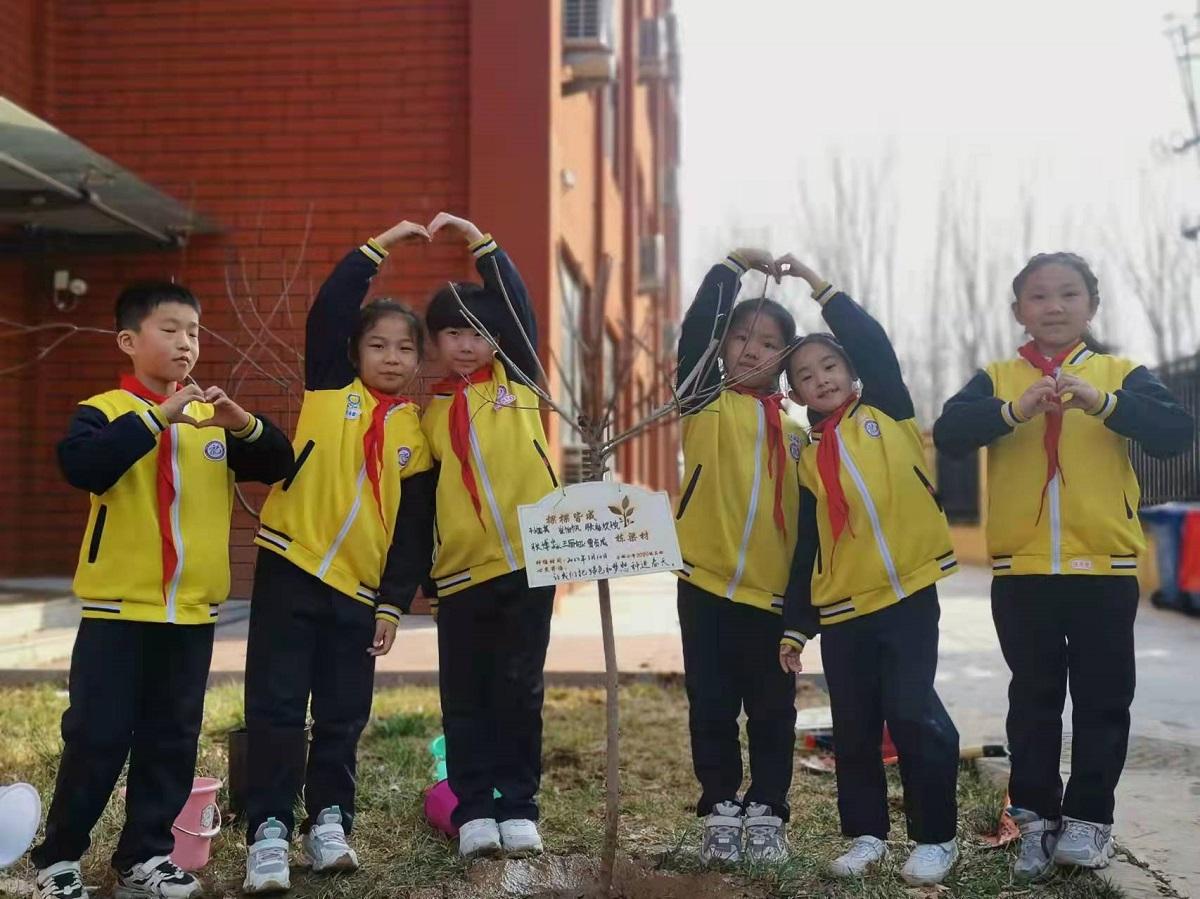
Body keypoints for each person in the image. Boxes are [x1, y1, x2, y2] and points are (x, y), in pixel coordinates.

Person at [933, 252, 1194, 881]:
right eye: (1039, 296)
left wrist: (1103, 403)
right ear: (1019, 310)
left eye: (1069, 294)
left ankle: (1088, 822)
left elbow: (1174, 432)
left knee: (1105, 701)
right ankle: (1035, 822)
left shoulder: (1122, 372)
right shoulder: (995, 377)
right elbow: (949, 433)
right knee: (1034, 702)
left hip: (1103, 570)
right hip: (1023, 573)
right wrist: (1013, 412)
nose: (1054, 306)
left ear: (1092, 306)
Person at [32, 282, 292, 899]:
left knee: (172, 737)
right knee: (96, 735)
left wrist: (244, 424)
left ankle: (144, 857)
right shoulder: (104, 410)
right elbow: (83, 466)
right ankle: (59, 858)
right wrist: (157, 418)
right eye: (170, 329)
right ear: (129, 341)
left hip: (192, 614)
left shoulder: (212, 421)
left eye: (195, 332)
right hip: (118, 611)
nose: (186, 343)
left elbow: (279, 462)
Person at [242, 221, 437, 893]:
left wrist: (392, 600)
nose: (390, 356)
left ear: (418, 360)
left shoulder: (416, 433)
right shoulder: (327, 389)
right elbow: (328, 307)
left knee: (342, 712)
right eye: (377, 344)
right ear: (351, 352)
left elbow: (413, 529)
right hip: (291, 567)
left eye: (404, 348)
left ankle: (329, 818)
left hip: (358, 592)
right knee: (275, 704)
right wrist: (374, 250)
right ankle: (267, 825)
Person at [778, 255, 961, 886]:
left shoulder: (888, 410)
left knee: (911, 712)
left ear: (853, 372)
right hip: (844, 610)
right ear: (794, 393)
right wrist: (797, 627)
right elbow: (808, 548)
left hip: (908, 592)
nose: (820, 378)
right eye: (804, 375)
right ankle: (865, 835)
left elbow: (873, 341)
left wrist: (817, 285)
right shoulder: (805, 457)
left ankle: (936, 837)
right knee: (853, 729)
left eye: (830, 365)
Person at [420, 213, 558, 860]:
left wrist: (481, 243)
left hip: (531, 567)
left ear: (499, 340)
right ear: (436, 345)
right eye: (452, 333)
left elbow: (517, 305)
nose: (467, 344)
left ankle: (519, 802)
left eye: (478, 332)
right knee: (465, 691)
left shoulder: (521, 386)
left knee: (520, 687)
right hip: (461, 575)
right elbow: (421, 504)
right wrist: (423, 575)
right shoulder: (429, 413)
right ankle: (474, 805)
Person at [674, 248, 806, 865]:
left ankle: (769, 808)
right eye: (741, 338)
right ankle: (721, 805)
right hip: (705, 586)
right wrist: (731, 268)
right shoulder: (702, 402)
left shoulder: (803, 436)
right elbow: (695, 331)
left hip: (774, 598)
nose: (752, 350)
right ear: (722, 349)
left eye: (769, 342)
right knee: (712, 704)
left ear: (788, 358)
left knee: (774, 711)